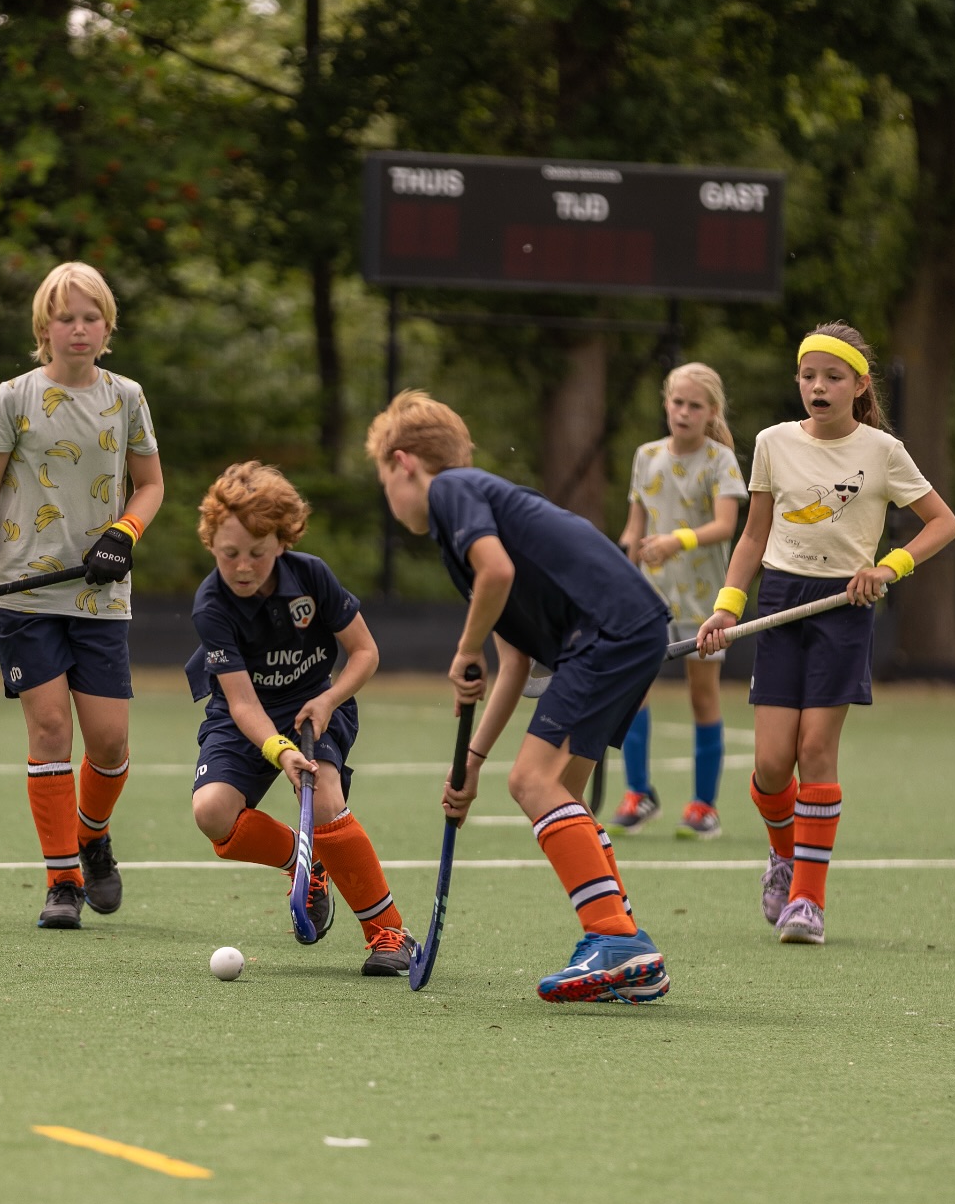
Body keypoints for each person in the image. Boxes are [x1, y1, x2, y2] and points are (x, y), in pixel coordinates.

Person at [367, 390, 670, 1003]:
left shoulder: (452, 491)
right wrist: (471, 765)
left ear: (404, 463)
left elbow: (497, 573)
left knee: (532, 782)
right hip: (626, 628)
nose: (391, 501)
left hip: (605, 629)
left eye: (384, 481)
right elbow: (516, 664)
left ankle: (613, 939)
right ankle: (629, 948)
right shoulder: (466, 521)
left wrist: (463, 648)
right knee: (564, 791)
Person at [697, 322, 955, 944]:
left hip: (846, 604)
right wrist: (728, 607)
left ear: (858, 385)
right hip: (782, 602)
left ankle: (807, 902)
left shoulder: (882, 451)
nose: (818, 387)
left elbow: (941, 523)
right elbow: (754, 536)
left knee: (815, 752)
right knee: (768, 765)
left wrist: (888, 567)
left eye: (833, 377)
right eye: (809, 376)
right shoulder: (771, 442)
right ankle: (782, 859)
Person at [0, 261, 163, 930]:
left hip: (99, 597)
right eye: (65, 318)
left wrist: (124, 533)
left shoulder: (126, 397)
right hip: (22, 594)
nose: (78, 329)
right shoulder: (13, 398)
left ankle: (92, 835)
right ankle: (62, 881)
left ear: (107, 327)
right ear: (44, 327)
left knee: (107, 744)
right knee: (49, 732)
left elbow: (151, 485)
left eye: (90, 317)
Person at [186, 461, 414, 976]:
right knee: (212, 813)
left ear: (283, 542)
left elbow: (364, 653)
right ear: (211, 546)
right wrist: (279, 750)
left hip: (316, 703)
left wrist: (331, 698)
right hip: (242, 715)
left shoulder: (312, 576)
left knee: (327, 797)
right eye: (230, 555)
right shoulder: (211, 606)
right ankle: (302, 864)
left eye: (257, 554)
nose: (243, 567)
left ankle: (389, 933)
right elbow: (242, 704)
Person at [615, 363, 747, 839]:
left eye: (695, 405)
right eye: (677, 402)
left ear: (711, 411)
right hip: (648, 598)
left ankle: (703, 807)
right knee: (633, 691)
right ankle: (638, 793)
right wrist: (624, 559)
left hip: (704, 601)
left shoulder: (720, 461)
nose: (684, 412)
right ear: (666, 404)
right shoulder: (646, 455)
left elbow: (725, 526)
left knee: (702, 695)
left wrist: (675, 540)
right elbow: (635, 524)